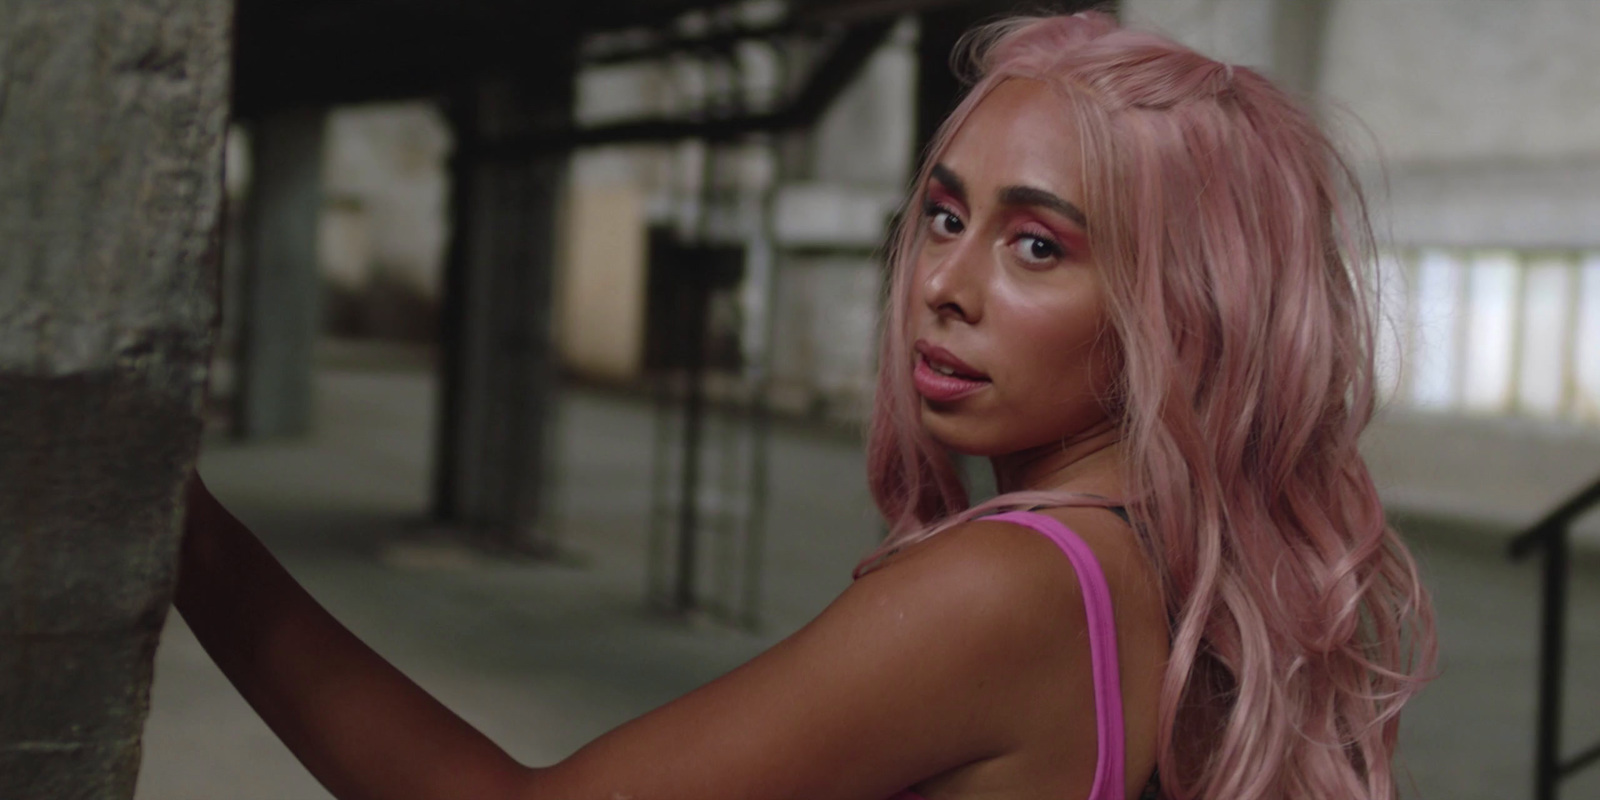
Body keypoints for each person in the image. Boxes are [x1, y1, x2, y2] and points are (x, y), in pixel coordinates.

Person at [177, 10, 1436, 800]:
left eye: (1037, 246)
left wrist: (193, 540)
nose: (943, 284)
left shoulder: (1017, 584)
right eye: (944, 215)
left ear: (1184, 306)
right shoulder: (1165, 565)